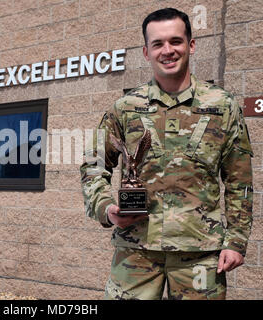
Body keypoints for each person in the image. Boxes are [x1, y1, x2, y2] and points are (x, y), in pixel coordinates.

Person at [80, 8, 253, 300]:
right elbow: (94, 165)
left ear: (191, 45)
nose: (168, 50)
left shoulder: (223, 106)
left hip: (200, 253)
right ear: (146, 52)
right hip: (136, 252)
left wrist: (236, 241)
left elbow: (240, 180)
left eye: (176, 41)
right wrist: (107, 208)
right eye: (158, 44)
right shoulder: (125, 108)